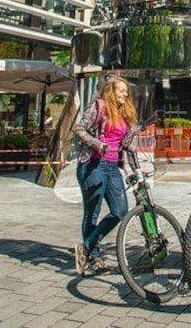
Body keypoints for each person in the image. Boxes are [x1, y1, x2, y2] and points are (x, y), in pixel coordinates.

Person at [73, 77, 139, 274]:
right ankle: (94, 258)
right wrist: (97, 144)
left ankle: (85, 247)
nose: (125, 94)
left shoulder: (125, 114)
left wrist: (136, 169)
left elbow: (127, 145)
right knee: (92, 213)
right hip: (93, 165)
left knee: (120, 211)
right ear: (111, 91)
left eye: (126, 91)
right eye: (121, 91)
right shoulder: (99, 107)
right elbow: (79, 129)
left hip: (112, 167)